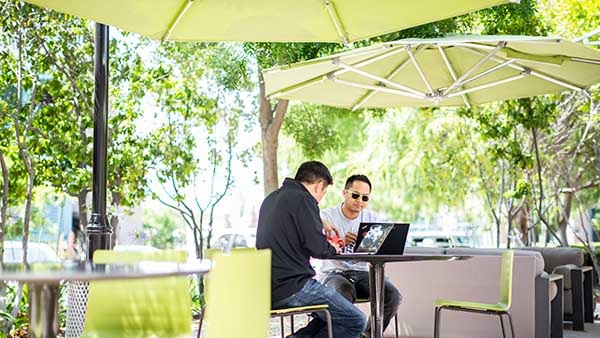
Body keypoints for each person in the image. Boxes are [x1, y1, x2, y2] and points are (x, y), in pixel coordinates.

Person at [256, 161, 367, 338]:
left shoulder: (271, 199)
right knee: (356, 321)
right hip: (294, 286)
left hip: (267, 288)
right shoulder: (304, 200)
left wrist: (318, 221)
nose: (320, 198)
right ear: (319, 186)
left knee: (331, 317)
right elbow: (319, 249)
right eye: (323, 193)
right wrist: (335, 246)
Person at [320, 174, 402, 337]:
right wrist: (340, 241)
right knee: (343, 292)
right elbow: (319, 248)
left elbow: (381, 251)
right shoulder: (327, 217)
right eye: (356, 195)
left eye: (365, 198)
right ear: (344, 193)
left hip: (364, 273)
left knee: (392, 296)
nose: (360, 201)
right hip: (335, 273)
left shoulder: (372, 219)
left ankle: (366, 335)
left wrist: (367, 243)